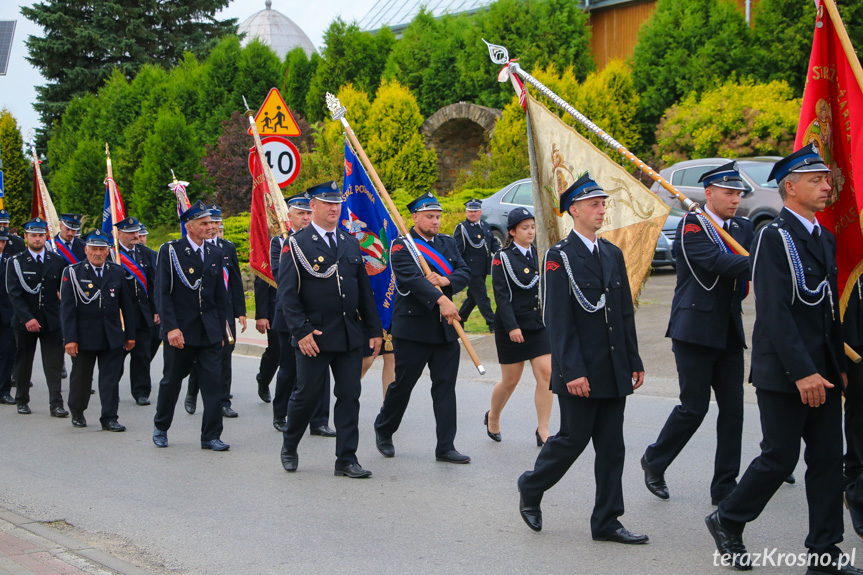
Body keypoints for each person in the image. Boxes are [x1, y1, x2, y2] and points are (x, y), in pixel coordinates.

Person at [705, 146, 862, 574]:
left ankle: (825, 553)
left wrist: (838, 367)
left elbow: (828, 309)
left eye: (827, 179)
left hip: (824, 369)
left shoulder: (822, 236)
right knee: (780, 457)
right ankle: (728, 518)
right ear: (789, 188)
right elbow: (774, 312)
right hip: (786, 371)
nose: (827, 186)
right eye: (817, 180)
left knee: (828, 461)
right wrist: (803, 371)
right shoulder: (773, 237)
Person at [517, 174, 647, 545]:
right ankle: (531, 485)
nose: (601, 210)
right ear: (573, 210)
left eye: (603, 203)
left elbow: (623, 314)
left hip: (612, 367)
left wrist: (633, 360)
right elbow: (557, 321)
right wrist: (571, 370)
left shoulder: (612, 253)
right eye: (594, 204)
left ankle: (607, 520)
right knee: (573, 440)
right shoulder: (559, 257)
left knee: (612, 447)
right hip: (580, 369)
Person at [641, 162, 754, 506]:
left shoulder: (744, 228)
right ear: (709, 194)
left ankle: (724, 486)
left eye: (738, 193)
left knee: (734, 411)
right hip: (694, 330)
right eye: (728, 193)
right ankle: (655, 460)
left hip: (729, 330)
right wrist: (764, 260)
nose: (735, 199)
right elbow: (715, 263)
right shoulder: (693, 226)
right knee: (695, 407)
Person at [277, 181, 382, 477]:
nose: (334, 208)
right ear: (313, 206)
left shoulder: (349, 242)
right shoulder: (296, 244)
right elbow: (287, 294)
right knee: (307, 395)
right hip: (315, 336)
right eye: (327, 203)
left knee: (349, 395)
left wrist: (374, 330)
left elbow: (364, 290)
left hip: (349, 333)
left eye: (337, 203)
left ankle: (346, 459)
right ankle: (289, 444)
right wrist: (301, 331)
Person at [374, 191, 472, 464]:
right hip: (413, 329)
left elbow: (464, 273)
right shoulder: (401, 246)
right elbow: (412, 280)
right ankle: (384, 427)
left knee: (444, 387)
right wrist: (441, 299)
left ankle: (446, 446)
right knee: (403, 385)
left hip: (445, 329)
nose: (435, 222)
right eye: (429, 216)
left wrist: (445, 280)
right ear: (415, 217)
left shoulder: (447, 243)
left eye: (438, 217)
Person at [152, 201, 229, 451]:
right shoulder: (171, 251)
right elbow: (162, 293)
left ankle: (211, 436)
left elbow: (220, 297)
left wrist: (221, 329)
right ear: (190, 226)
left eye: (212, 223)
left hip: (209, 331)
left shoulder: (215, 253)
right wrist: (171, 328)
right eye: (205, 223)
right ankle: (161, 427)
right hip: (181, 331)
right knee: (172, 381)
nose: (211, 227)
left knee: (213, 385)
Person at [485, 207, 552, 445]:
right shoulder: (501, 258)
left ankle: (543, 430)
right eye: (525, 228)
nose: (531, 232)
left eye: (532, 227)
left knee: (547, 373)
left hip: (537, 324)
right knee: (510, 380)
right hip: (512, 326)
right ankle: (493, 416)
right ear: (512, 232)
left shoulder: (541, 254)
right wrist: (513, 327)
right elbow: (501, 296)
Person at [269, 192, 334, 435]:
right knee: (289, 368)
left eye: (308, 212)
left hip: (320, 316)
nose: (305, 217)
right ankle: (281, 413)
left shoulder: (324, 240)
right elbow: (281, 277)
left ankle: (319, 421)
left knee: (322, 369)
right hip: (290, 316)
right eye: (300, 213)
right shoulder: (281, 242)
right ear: (290, 216)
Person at [60, 230, 136, 431]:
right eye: (94, 249)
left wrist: (130, 335)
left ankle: (109, 417)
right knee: (82, 378)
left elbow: (126, 306)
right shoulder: (73, 272)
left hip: (111, 335)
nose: (98, 253)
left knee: (110, 380)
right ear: (86, 250)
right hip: (84, 336)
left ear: (108, 251)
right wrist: (70, 339)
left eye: (102, 249)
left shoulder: (117, 271)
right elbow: (67, 310)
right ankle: (77, 411)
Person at [184, 206, 246, 418]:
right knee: (200, 355)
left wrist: (241, 311)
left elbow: (235, 281)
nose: (213, 228)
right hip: (202, 311)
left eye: (217, 225)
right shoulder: (191, 249)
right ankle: (192, 392)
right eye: (209, 224)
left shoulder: (226, 248)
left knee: (226, 353)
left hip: (224, 310)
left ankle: (223, 401)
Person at [5, 218, 68, 417]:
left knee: (54, 364)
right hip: (25, 322)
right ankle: (22, 400)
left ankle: (56, 404)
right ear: (26, 237)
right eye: (33, 235)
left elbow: (63, 291)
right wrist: (27, 318)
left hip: (51, 320)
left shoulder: (56, 261)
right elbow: (14, 294)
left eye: (41, 235)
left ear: (45, 237)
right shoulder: (15, 262)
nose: (37, 239)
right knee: (24, 362)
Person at [114, 217, 158, 405]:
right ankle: (110, 387)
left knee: (142, 355)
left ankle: (141, 392)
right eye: (130, 232)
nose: (135, 235)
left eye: (137, 232)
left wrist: (156, 310)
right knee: (116, 355)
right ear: (120, 234)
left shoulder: (146, 253)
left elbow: (154, 284)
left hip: (143, 312)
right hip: (121, 316)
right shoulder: (112, 254)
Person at [453, 199, 500, 332]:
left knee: (473, 297)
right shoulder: (462, 228)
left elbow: (492, 244)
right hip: (470, 269)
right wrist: (459, 268)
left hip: (483, 267)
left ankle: (459, 320)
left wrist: (500, 254)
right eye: (469, 212)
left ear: (480, 212)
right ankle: (492, 324)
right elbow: (457, 249)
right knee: (482, 296)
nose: (472, 214)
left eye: (475, 211)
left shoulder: (485, 225)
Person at [136, 224, 163, 367]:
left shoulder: (153, 255)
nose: (141, 239)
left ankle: (144, 367)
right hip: (131, 307)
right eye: (138, 236)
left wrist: (156, 309)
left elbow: (156, 283)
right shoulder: (120, 255)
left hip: (150, 306)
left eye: (143, 236)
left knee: (155, 337)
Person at [0, 226, 15, 404]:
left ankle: (4, 390)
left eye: (3, 242)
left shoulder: (10, 262)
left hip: (6, 314)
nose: (1, 245)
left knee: (7, 354)